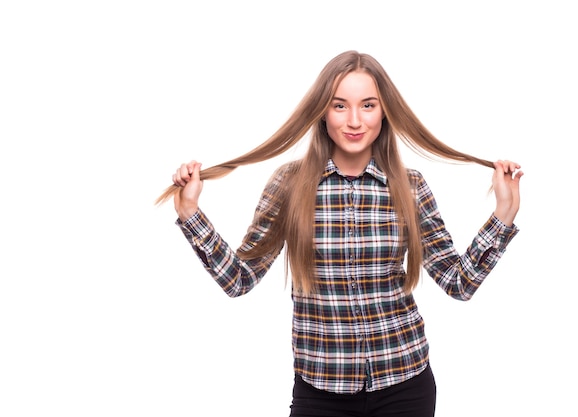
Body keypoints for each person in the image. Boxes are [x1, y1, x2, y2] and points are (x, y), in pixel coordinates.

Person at [157, 50, 523, 417]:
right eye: (339, 106)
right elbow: (239, 279)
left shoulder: (411, 186)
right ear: (322, 112)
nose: (354, 120)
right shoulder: (289, 184)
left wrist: (503, 215)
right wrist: (190, 213)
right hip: (321, 391)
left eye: (367, 105)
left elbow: (458, 283)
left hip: (406, 385)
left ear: (384, 112)